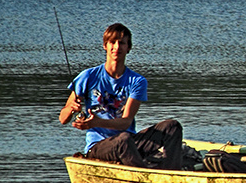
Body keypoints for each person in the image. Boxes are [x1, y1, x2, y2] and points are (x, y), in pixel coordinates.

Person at [58, 23, 183, 170]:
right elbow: (63, 118)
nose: (117, 47)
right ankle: (144, 176)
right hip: (98, 147)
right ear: (105, 45)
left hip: (128, 142)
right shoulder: (88, 76)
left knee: (172, 127)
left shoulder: (137, 81)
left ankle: (171, 174)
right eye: (112, 42)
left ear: (128, 48)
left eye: (122, 43)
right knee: (123, 140)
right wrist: (72, 109)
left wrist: (96, 122)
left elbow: (126, 122)